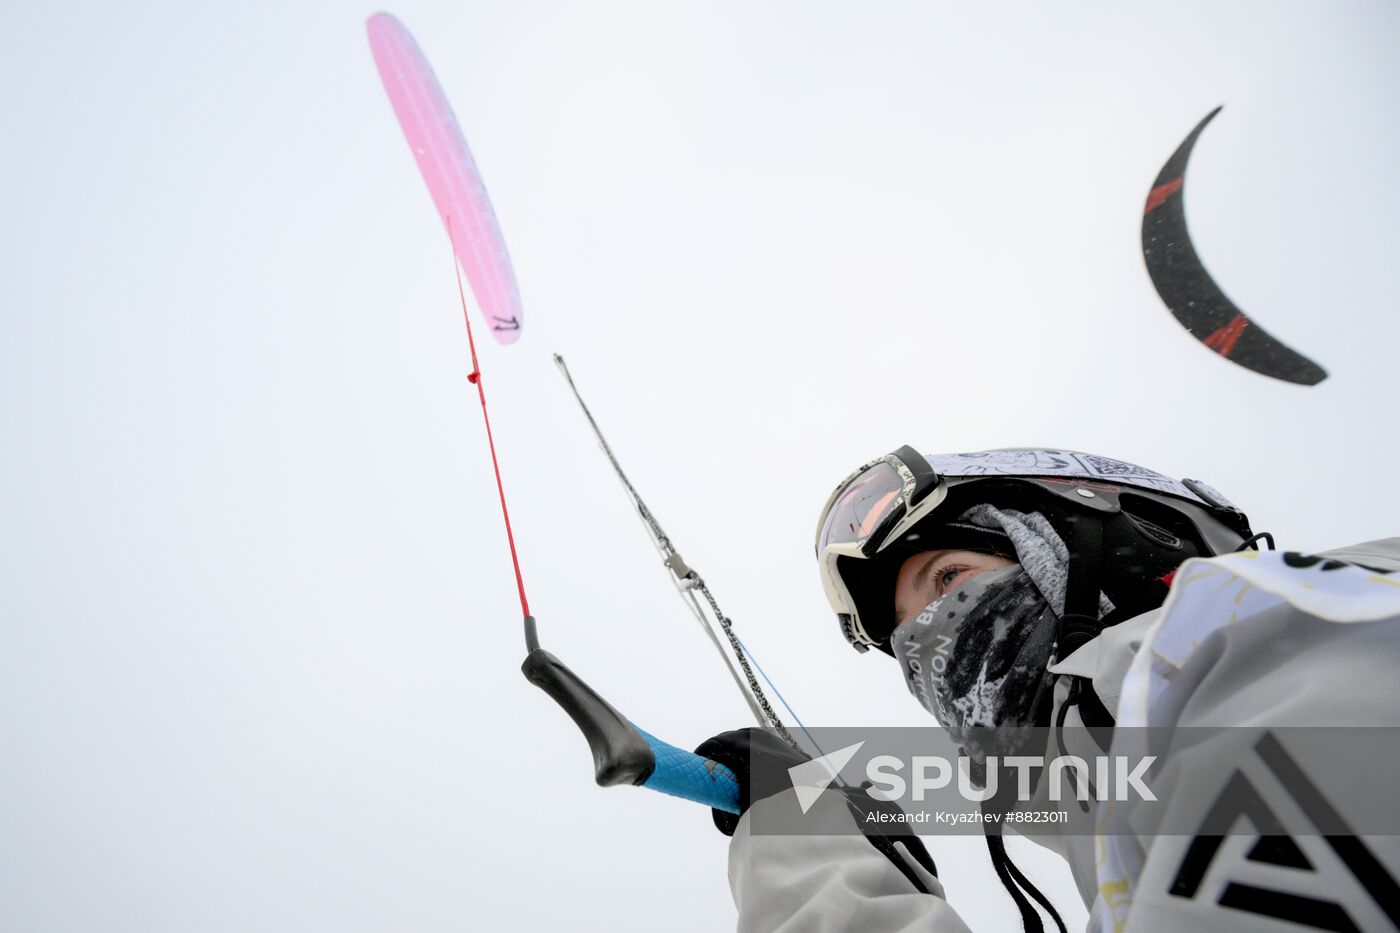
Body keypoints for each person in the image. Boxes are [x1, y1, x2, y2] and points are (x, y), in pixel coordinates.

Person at [697, 447, 1400, 932]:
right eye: (909, 643)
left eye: (948, 578)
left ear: (1073, 535)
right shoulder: (1122, 822)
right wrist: (827, 855)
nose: (932, 645)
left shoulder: (1298, 635)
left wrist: (816, 861)